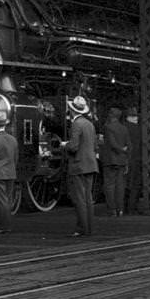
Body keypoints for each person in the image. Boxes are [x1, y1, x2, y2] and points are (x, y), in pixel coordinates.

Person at [64, 95, 98, 236]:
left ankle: (82, 228)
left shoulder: (76, 124)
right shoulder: (89, 124)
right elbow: (94, 145)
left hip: (78, 165)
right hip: (90, 164)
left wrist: (64, 145)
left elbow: (74, 147)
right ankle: (88, 227)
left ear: (72, 111)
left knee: (79, 198)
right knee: (88, 198)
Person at [100, 106, 129, 217]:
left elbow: (112, 144)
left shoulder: (107, 127)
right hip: (121, 160)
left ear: (111, 115)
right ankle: (120, 209)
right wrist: (124, 153)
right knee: (120, 186)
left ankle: (112, 209)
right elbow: (128, 144)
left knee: (109, 186)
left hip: (110, 160)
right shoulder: (124, 128)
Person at [124, 106, 144, 214]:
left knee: (126, 184)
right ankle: (132, 207)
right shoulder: (139, 129)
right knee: (136, 184)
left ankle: (124, 207)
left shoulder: (123, 127)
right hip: (137, 159)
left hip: (125, 159)